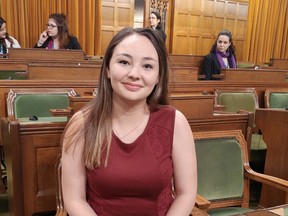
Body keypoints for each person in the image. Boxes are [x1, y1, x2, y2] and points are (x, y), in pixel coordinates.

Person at [61, 27, 197, 216]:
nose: (134, 73)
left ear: (158, 76)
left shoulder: (176, 122)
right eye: (124, 62)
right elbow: (74, 199)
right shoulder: (81, 124)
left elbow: (186, 193)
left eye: (147, 66)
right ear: (108, 68)